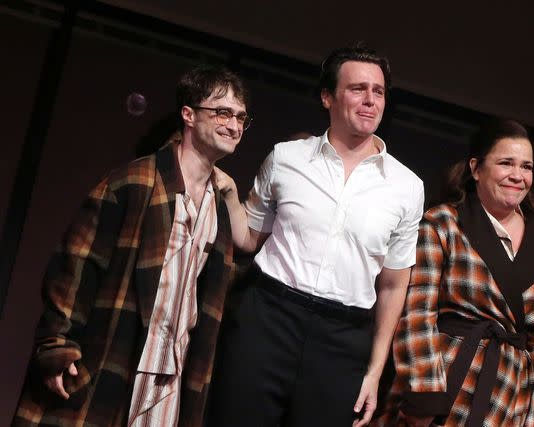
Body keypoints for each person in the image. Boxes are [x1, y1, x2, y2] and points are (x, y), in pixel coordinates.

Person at [12, 64, 251, 426]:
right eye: (222, 112)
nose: (233, 126)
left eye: (240, 117)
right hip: (119, 354)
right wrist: (57, 343)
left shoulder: (218, 207)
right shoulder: (135, 181)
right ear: (188, 114)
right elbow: (78, 262)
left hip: (174, 373)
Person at [209, 46, 424, 427]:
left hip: (342, 339)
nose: (370, 100)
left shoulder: (407, 186)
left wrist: (375, 372)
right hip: (268, 317)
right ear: (327, 96)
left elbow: (393, 285)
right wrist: (227, 194)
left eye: (379, 91)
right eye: (358, 88)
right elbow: (250, 239)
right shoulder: (286, 157)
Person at [374, 119, 534, 426]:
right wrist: (424, 399)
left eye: (526, 167)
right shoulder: (443, 224)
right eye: (506, 163)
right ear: (476, 169)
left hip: (504, 404)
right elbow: (416, 313)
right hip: (444, 386)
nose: (517, 176)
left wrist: (531, 419)